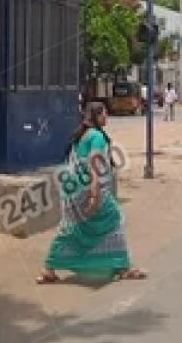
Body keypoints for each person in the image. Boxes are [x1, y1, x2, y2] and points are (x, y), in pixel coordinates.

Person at [37, 102, 145, 284]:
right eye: (104, 114)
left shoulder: (81, 136)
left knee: (71, 229)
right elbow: (93, 166)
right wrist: (94, 195)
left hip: (72, 191)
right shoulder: (96, 137)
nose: (107, 117)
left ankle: (49, 268)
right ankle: (122, 267)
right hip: (90, 190)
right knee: (114, 220)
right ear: (97, 116)